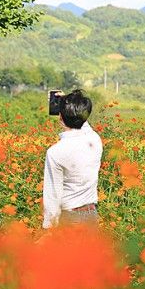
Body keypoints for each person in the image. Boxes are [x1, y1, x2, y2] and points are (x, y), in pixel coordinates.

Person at [42, 89, 103, 228]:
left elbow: (53, 195)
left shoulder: (56, 152)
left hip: (69, 219)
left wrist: (48, 229)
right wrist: (70, 105)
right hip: (91, 216)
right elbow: (84, 124)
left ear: (61, 118)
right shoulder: (94, 140)